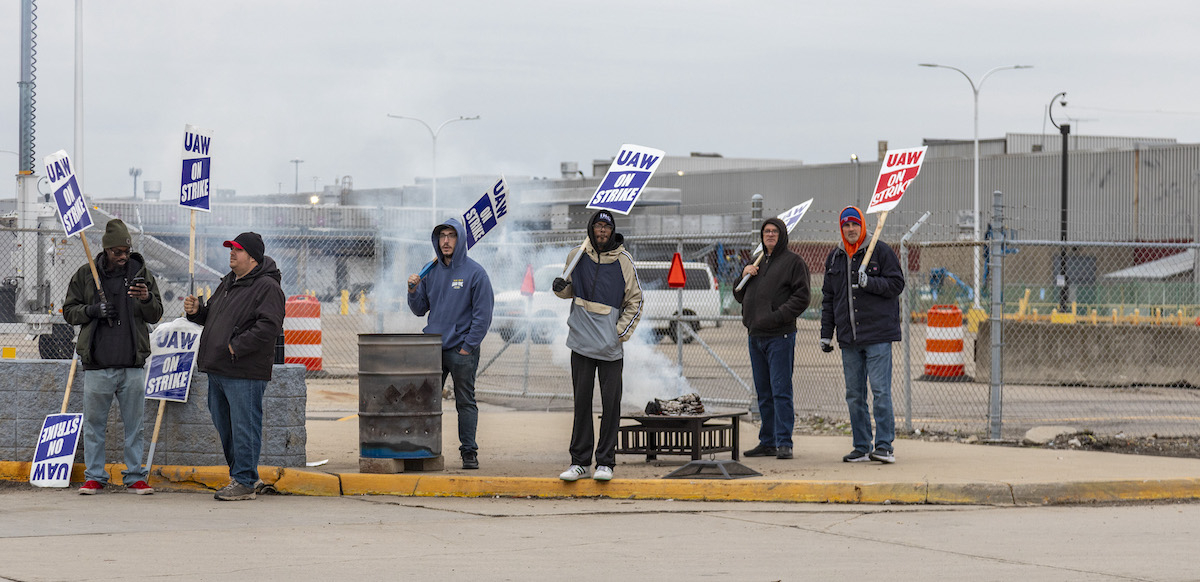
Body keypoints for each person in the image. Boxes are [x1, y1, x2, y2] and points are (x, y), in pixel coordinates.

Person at [63, 219, 164, 495]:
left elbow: (156, 313)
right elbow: (69, 311)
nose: (122, 257)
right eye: (116, 251)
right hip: (98, 365)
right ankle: (95, 476)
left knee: (135, 426)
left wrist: (145, 299)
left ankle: (135, 476)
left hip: (132, 365)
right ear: (105, 250)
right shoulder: (87, 275)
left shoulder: (141, 274)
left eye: (126, 251)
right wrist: (93, 311)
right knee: (95, 426)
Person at [184, 232, 285, 500]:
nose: (232, 253)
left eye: (238, 250)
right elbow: (214, 318)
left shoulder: (267, 287)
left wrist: (236, 346)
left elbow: (269, 326)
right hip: (218, 368)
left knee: (244, 426)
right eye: (231, 248)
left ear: (252, 257)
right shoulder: (229, 282)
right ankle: (243, 476)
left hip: (243, 370)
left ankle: (244, 480)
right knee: (226, 426)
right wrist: (197, 312)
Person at [551, 210, 642, 482]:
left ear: (612, 231)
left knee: (611, 405)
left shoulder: (624, 261)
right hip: (580, 343)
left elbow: (635, 302)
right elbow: (568, 290)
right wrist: (559, 288)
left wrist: (618, 334)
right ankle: (579, 462)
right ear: (591, 228)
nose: (602, 231)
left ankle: (606, 462)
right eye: (598, 226)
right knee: (581, 403)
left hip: (610, 348)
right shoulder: (577, 254)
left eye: (607, 227)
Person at [820, 206, 906, 464]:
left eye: (854, 224)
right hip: (849, 339)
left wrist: (870, 282)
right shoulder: (835, 257)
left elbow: (897, 284)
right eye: (846, 225)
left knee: (880, 392)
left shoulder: (880, 251)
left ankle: (884, 446)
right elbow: (829, 299)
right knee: (855, 395)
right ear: (841, 227)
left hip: (878, 336)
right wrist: (827, 333)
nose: (850, 229)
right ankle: (861, 445)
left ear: (862, 226)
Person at [407, 219, 494, 470]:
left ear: (461, 240)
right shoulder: (430, 271)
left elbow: (483, 316)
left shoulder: (475, 273)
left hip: (461, 351)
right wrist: (413, 290)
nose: (445, 241)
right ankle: (424, 451)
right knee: (424, 401)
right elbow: (420, 309)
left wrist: (467, 347)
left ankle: (469, 452)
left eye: (451, 236)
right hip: (433, 347)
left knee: (465, 401)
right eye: (442, 236)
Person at [733, 217, 810, 460]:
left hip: (780, 335)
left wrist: (778, 316)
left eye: (774, 231)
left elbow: (802, 297)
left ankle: (784, 441)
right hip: (755, 335)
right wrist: (742, 276)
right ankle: (767, 441)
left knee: (781, 390)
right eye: (766, 231)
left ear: (782, 235)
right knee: (764, 393)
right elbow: (738, 295)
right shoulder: (756, 263)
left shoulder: (793, 263)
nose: (769, 235)